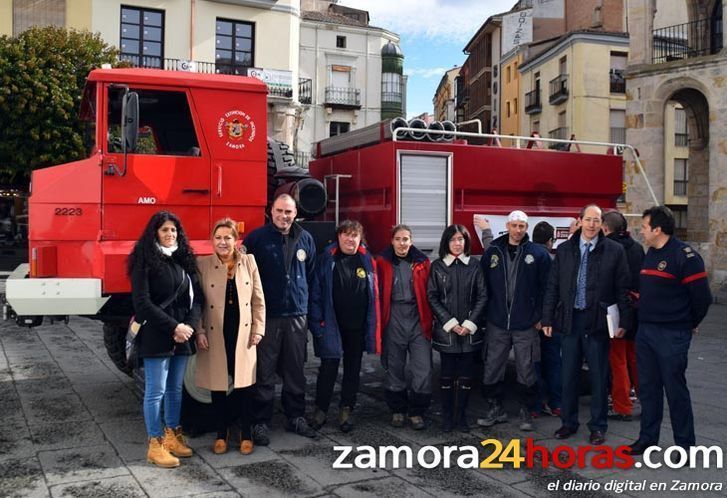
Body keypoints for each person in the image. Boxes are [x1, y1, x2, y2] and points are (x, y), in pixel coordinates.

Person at [542, 204, 630, 445]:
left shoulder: (614, 251)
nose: (592, 224)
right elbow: (553, 287)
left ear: (602, 224)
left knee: (599, 377)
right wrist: (547, 318)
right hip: (570, 321)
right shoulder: (564, 250)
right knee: (568, 375)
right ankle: (568, 423)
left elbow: (622, 288)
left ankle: (598, 426)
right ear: (579, 221)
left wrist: (624, 320)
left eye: (597, 220)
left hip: (598, 322)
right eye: (588, 219)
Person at [628, 206, 712, 455]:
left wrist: (689, 323)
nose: (641, 231)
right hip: (646, 332)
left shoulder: (685, 257)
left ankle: (685, 444)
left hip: (672, 334)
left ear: (657, 229)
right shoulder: (650, 254)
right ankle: (647, 439)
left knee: (675, 390)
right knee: (648, 388)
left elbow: (702, 298)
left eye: (644, 226)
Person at [128, 211, 201, 468]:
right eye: (165, 230)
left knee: (174, 390)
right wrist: (175, 327)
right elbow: (142, 303)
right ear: (154, 233)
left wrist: (189, 327)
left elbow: (196, 300)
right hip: (157, 335)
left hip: (183, 335)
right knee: (155, 392)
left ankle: (173, 436)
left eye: (174, 230)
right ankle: (155, 444)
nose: (170, 235)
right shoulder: (144, 261)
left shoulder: (183, 259)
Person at [243, 194, 318, 443]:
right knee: (265, 372)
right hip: (269, 316)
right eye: (279, 211)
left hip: (297, 315)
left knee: (295, 370)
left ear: (295, 213)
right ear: (270, 211)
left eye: (288, 212)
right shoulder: (257, 238)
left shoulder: (306, 238)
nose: (283, 216)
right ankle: (261, 422)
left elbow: (311, 275)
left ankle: (296, 417)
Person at [195, 218, 265, 455]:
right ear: (212, 241)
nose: (223, 242)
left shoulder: (249, 262)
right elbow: (197, 304)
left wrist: (258, 329)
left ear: (236, 240)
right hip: (215, 331)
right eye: (218, 238)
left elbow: (258, 299)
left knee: (245, 385)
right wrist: (200, 330)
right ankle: (221, 432)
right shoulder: (202, 264)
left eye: (228, 237)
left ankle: (246, 432)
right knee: (218, 385)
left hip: (243, 331)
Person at [478, 211, 551, 432]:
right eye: (514, 225)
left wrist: (541, 317)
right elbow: (482, 287)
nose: (518, 230)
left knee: (526, 369)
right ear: (507, 226)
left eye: (522, 226)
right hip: (497, 322)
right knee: (492, 367)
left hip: (526, 324)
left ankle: (526, 411)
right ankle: (495, 408)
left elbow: (548, 290)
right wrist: (484, 315)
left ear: (526, 227)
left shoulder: (538, 254)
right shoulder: (493, 252)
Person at [309, 220, 380, 432]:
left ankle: (346, 410)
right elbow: (316, 294)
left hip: (356, 328)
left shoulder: (367, 260)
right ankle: (320, 410)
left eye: (354, 235)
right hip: (331, 325)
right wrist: (317, 324)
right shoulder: (326, 259)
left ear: (360, 238)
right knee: (328, 368)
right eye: (346, 235)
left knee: (353, 369)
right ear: (339, 236)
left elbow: (374, 294)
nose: (350, 239)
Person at [427, 224, 487, 432]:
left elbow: (482, 296)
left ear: (466, 242)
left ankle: (461, 416)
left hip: (469, 333)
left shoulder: (475, 266)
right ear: (447, 242)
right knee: (446, 375)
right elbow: (432, 297)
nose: (457, 243)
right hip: (447, 334)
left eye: (461, 239)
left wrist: (470, 324)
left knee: (466, 376)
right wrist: (451, 324)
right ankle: (447, 417)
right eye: (453, 240)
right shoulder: (437, 267)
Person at [376, 225, 433, 430]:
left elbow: (431, 292)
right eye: (398, 239)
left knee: (423, 369)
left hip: (418, 318)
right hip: (394, 318)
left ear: (411, 241)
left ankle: (417, 411)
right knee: (395, 368)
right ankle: (397, 410)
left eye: (406, 239)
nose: (402, 243)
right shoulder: (382, 262)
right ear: (392, 241)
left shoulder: (422, 262)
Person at [602, 210, 644, 422]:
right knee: (636, 359)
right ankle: (647, 401)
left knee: (617, 360)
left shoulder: (609, 249)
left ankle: (622, 406)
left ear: (606, 228)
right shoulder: (637, 247)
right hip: (637, 308)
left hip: (616, 310)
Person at [530, 221, 562, 418]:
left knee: (534, 363)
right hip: (550, 321)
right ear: (551, 241)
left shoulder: (527, 256)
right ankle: (556, 403)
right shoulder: (552, 260)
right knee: (553, 362)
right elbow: (551, 292)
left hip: (532, 321)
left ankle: (536, 404)